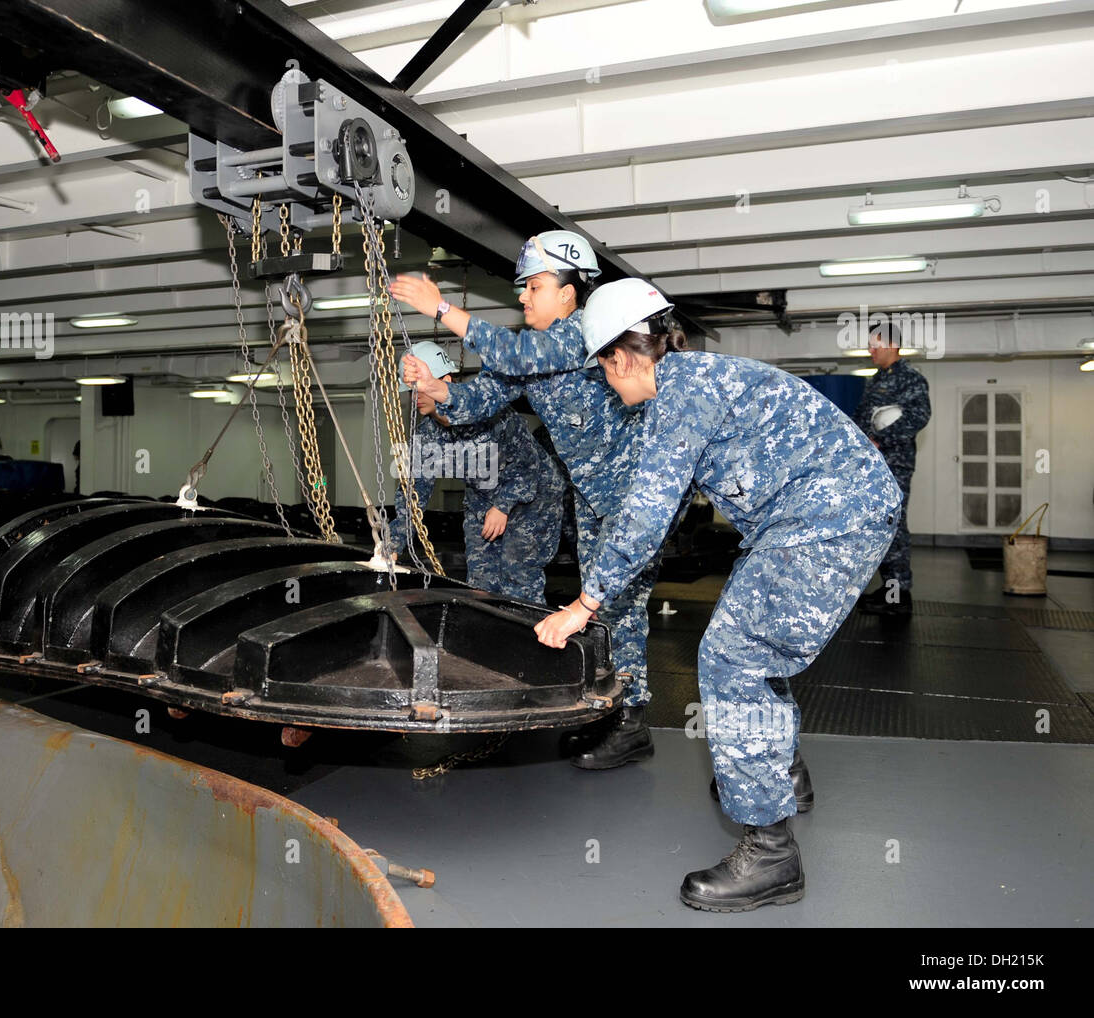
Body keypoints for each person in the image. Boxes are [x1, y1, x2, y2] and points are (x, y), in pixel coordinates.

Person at [532, 278, 903, 911]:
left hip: (827, 519)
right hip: (828, 513)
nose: (607, 386)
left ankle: (770, 852)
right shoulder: (692, 383)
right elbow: (663, 503)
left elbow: (647, 515)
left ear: (621, 357)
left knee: (733, 655)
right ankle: (780, 773)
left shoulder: (681, 394)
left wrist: (583, 605)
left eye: (603, 371)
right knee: (759, 647)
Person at [392, 231, 675, 769]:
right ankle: (607, 710)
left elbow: (517, 353)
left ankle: (632, 720)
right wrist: (435, 389)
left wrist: (443, 308)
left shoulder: (585, 332)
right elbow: (475, 400)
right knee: (600, 613)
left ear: (570, 293)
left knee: (620, 608)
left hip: (634, 494)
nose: (523, 296)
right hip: (591, 500)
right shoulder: (528, 351)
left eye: (535, 286)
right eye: (523, 287)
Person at [387, 341, 565, 602]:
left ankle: (526, 639)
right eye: (410, 392)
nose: (415, 398)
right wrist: (392, 544)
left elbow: (528, 466)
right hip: (482, 499)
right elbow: (414, 493)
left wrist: (503, 506)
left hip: (535, 496)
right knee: (481, 585)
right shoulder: (427, 434)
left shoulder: (489, 412)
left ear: (445, 380)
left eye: (420, 389)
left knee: (518, 577)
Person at [852, 321, 931, 616]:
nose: (870, 350)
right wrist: (861, 441)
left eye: (875, 344)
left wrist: (880, 439)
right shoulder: (875, 380)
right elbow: (861, 418)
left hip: (895, 464)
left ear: (891, 344)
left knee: (893, 525)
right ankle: (889, 589)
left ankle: (899, 596)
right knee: (880, 526)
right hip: (874, 466)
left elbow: (919, 417)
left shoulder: (911, 379)